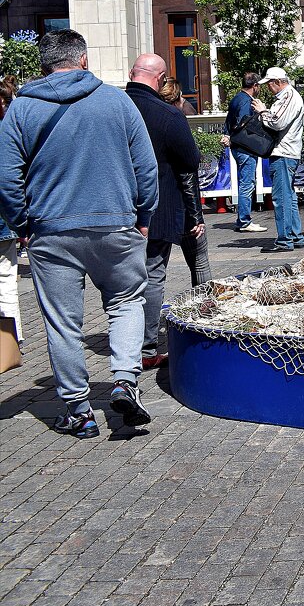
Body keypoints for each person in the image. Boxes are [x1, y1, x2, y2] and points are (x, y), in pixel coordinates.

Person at [0, 29, 158, 437]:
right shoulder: (117, 101)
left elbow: (6, 178)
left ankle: (78, 410)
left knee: (62, 322)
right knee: (125, 302)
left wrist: (22, 224)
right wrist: (144, 214)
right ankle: (125, 380)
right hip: (116, 223)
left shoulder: (21, 109)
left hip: (50, 231)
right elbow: (146, 167)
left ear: (43, 65)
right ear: (83, 60)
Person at [127, 54, 202, 371]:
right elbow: (191, 159)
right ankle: (145, 349)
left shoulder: (112, 106)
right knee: (153, 276)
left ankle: (127, 344)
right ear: (160, 79)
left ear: (132, 73)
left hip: (115, 210)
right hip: (156, 209)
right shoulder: (167, 115)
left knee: (124, 282)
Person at [159, 79, 211, 286]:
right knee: (200, 263)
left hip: (159, 207)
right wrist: (196, 215)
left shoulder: (150, 121)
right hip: (182, 207)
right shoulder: (176, 122)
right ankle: (204, 306)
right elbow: (187, 173)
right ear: (179, 99)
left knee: (155, 268)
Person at [253, 67, 304, 252]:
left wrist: (262, 111)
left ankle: (285, 240)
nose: (268, 88)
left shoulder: (289, 96)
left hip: (283, 152)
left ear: (277, 82)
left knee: (281, 198)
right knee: (288, 197)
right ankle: (295, 236)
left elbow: (277, 122)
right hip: (286, 152)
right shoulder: (289, 96)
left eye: (269, 84)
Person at [222, 72, 267, 233]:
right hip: (245, 148)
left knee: (245, 182)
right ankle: (244, 221)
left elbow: (229, 121)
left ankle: (244, 219)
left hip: (237, 147)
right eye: (259, 85)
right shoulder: (247, 101)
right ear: (255, 86)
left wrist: (228, 135)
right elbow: (244, 123)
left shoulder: (236, 98)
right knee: (247, 184)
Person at [0, 76, 23, 345]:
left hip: (6, 223)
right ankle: (12, 341)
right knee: (6, 284)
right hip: (5, 222)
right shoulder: (8, 133)